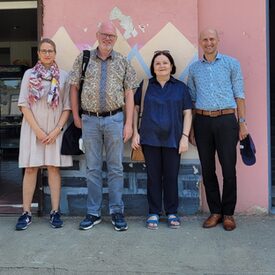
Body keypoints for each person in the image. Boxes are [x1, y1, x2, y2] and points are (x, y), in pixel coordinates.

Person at [69, 21, 138, 231]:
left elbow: (129, 94)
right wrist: (76, 116)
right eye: (105, 34)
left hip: (115, 120)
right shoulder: (84, 58)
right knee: (93, 168)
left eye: (112, 36)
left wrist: (128, 124)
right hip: (89, 120)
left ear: (116, 39)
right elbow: (73, 88)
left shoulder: (123, 62)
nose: (108, 38)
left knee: (116, 168)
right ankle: (93, 212)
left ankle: (117, 211)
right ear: (97, 35)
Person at [187, 28, 249, 231]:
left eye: (212, 39)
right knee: (208, 168)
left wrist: (242, 122)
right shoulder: (194, 68)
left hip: (226, 121)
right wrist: (193, 128)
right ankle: (215, 211)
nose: (208, 42)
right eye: (204, 39)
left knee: (229, 168)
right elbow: (193, 99)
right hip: (203, 121)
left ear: (218, 40)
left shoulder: (231, 64)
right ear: (200, 42)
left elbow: (239, 94)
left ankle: (228, 213)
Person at [15, 38, 72, 230]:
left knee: (53, 168)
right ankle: (26, 212)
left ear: (55, 53)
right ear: (38, 53)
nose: (47, 54)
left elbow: (67, 107)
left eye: (50, 50)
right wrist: (38, 131)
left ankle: (55, 212)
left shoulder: (64, 76)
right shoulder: (29, 75)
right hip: (33, 129)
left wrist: (56, 130)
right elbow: (23, 104)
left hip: (55, 130)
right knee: (31, 168)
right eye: (43, 50)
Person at [132, 50, 192, 230]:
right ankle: (154, 212)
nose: (162, 66)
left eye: (165, 62)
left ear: (172, 66)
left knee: (171, 177)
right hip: (149, 139)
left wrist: (185, 137)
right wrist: (135, 132)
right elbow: (135, 110)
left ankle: (172, 212)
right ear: (153, 67)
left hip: (174, 139)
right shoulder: (145, 86)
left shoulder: (181, 87)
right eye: (157, 63)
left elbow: (187, 113)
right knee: (153, 177)